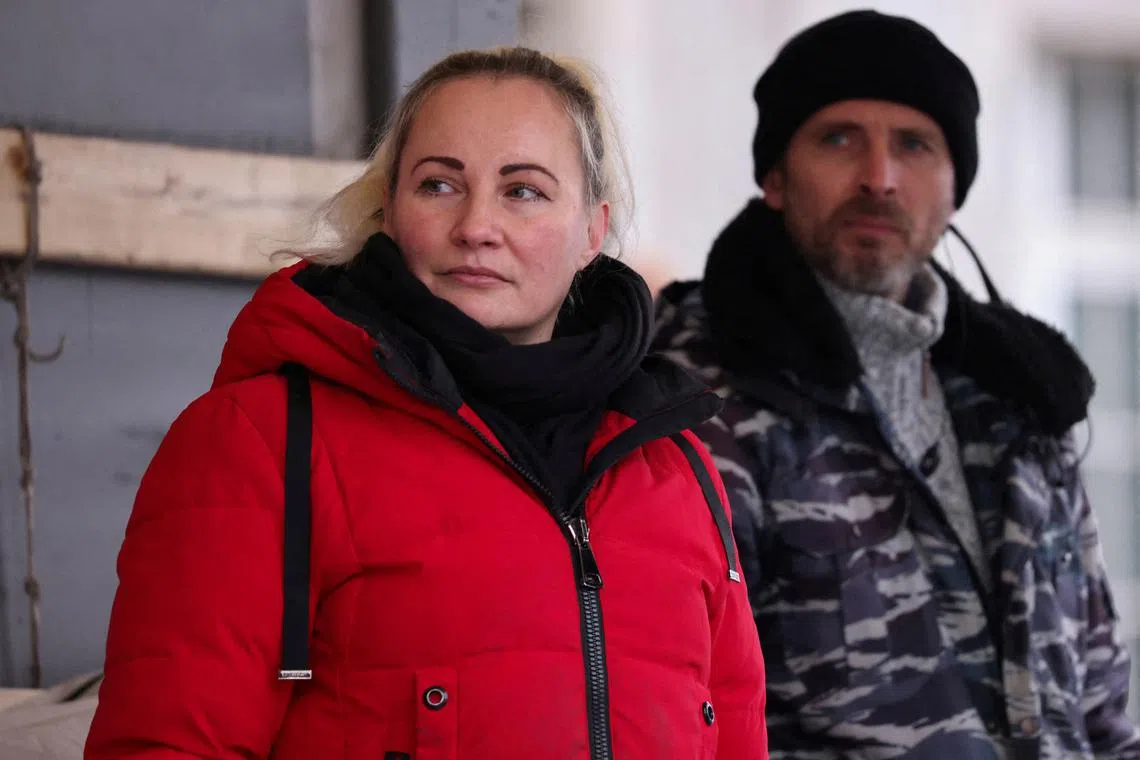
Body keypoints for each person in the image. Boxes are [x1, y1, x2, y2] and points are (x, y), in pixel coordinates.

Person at [85, 46, 767, 759]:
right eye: (439, 185)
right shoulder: (263, 441)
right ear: (390, 210)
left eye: (523, 191)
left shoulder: (676, 468)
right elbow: (165, 744)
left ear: (592, 231)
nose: (476, 225)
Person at [653, 10, 1140, 759]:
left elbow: (1105, 713)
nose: (878, 177)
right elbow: (668, 716)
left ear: (954, 187)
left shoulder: (1023, 401)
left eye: (914, 144)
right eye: (839, 138)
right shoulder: (692, 398)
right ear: (776, 177)